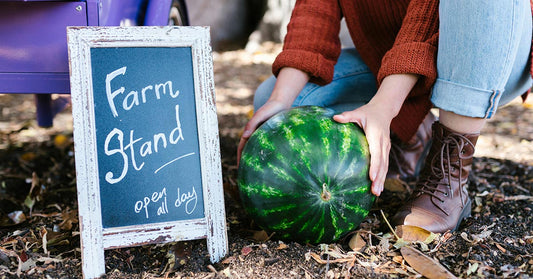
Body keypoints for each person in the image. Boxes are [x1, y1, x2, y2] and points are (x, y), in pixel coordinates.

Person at [237, 0, 533, 234]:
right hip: (393, 59)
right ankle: (414, 132)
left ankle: (448, 174)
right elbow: (314, 12)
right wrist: (280, 100)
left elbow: (425, 18)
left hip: (491, 47)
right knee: (283, 102)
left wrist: (384, 106)